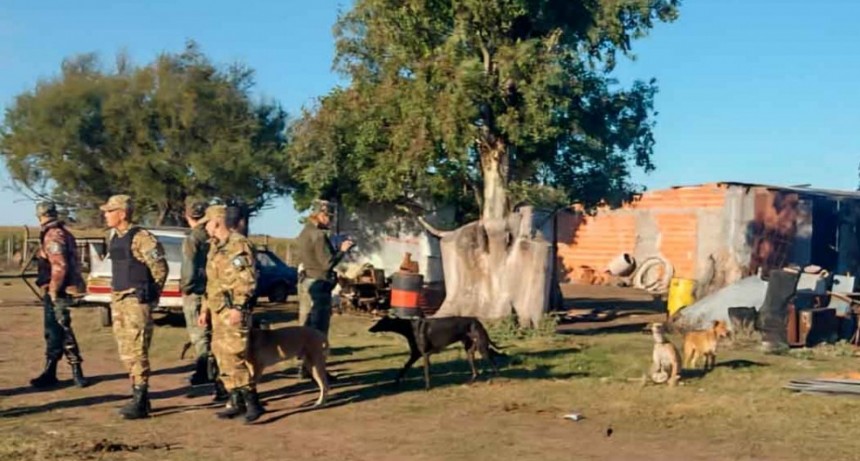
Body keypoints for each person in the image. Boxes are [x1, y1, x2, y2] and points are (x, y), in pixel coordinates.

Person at [100, 195, 168, 420]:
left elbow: (160, 267)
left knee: (137, 350)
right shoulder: (114, 236)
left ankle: (140, 399)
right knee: (126, 351)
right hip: (119, 300)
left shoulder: (142, 238)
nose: (106, 215)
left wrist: (151, 295)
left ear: (122, 213)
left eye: (110, 211)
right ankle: (139, 396)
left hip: (136, 300)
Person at [196, 205, 264, 423]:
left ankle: (252, 401)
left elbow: (247, 279)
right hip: (217, 310)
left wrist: (239, 307)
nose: (205, 227)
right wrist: (205, 308)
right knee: (221, 355)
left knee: (235, 355)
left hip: (233, 310)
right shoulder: (215, 247)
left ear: (217, 222)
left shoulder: (238, 245)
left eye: (207, 222)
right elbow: (212, 282)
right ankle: (235, 399)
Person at [30, 202, 88, 388]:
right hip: (63, 287)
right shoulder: (63, 232)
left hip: (58, 289)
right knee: (55, 330)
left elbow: (59, 265)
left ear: (40, 215)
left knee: (61, 329)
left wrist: (53, 290)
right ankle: (52, 371)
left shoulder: (52, 235)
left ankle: (75, 371)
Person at [295, 200, 353, 379]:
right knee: (319, 331)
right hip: (319, 284)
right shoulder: (318, 235)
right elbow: (327, 263)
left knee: (307, 326)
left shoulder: (304, 233)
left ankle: (305, 368)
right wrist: (343, 250)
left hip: (307, 281)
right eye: (328, 216)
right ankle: (318, 372)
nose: (330, 221)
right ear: (320, 215)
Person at [180, 198, 220, 391]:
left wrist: (186, 287)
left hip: (196, 290)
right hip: (212, 289)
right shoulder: (212, 236)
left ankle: (203, 371)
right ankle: (213, 369)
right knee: (212, 332)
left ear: (188, 216)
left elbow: (189, 266)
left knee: (199, 333)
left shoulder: (193, 238)